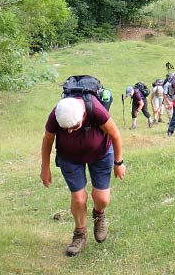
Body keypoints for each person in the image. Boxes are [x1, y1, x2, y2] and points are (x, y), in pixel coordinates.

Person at [40, 94, 126, 257]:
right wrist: (45, 167)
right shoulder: (56, 114)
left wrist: (118, 162)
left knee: (102, 199)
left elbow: (115, 134)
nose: (70, 131)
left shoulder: (96, 110)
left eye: (75, 126)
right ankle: (80, 234)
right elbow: (48, 139)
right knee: (79, 198)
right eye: (66, 129)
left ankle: (99, 214)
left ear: (83, 115)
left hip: (100, 155)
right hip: (69, 158)